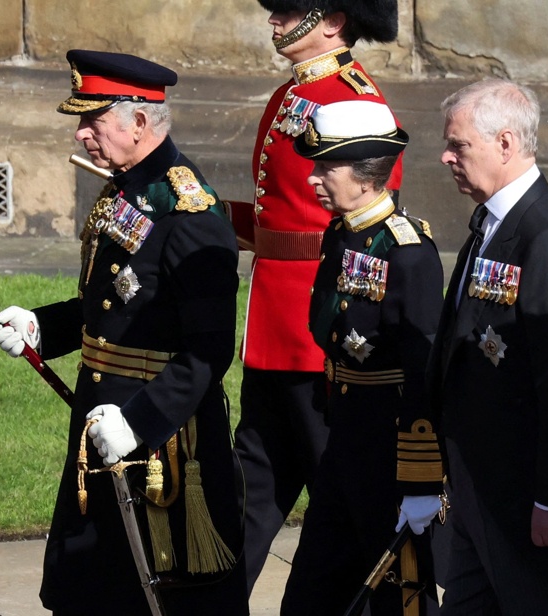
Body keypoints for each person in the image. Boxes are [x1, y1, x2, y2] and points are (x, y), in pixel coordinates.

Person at [0, 50, 248, 615]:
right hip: (101, 417)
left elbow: (208, 348)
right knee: (91, 584)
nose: (81, 135)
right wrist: (39, 326)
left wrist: (142, 423)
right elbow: (106, 305)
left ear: (140, 123)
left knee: (168, 592)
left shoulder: (189, 212)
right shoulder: (123, 189)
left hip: (162, 439)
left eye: (93, 122)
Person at [228, 0, 405, 594]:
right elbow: (272, 214)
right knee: (251, 490)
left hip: (318, 328)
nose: (275, 21)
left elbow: (370, 223)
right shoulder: (290, 94)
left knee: (341, 498)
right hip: (273, 323)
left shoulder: (355, 98)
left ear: (332, 21)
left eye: (289, 10)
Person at [426, 78, 548, 615]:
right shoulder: (492, 223)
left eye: (459, 145)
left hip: (526, 497)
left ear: (505, 143)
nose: (446, 156)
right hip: (480, 487)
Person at [277, 99, 444, 615]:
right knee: (312, 592)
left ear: (368, 176)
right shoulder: (341, 233)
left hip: (389, 454)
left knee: (395, 598)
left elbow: (423, 372)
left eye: (327, 167)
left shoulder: (407, 252)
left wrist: (421, 482)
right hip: (344, 439)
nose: (313, 179)